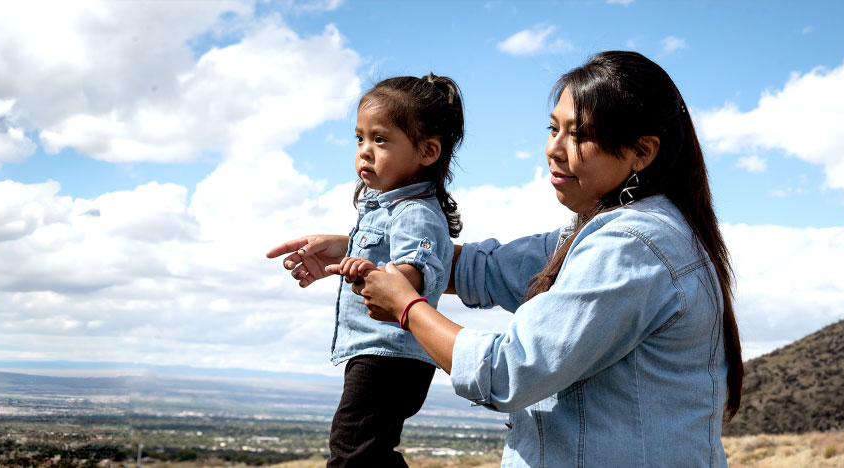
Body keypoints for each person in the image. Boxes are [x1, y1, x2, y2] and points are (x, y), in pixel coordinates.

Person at [291, 51, 742, 467]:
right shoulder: (595, 230)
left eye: (579, 134)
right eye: (553, 128)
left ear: (643, 151)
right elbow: (484, 270)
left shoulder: (632, 246)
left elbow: (510, 370)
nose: (554, 148)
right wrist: (362, 247)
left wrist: (408, 309)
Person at [265, 74, 466, 468]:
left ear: (427, 151)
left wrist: (368, 269)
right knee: (365, 453)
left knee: (352, 455)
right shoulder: (387, 207)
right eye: (360, 139)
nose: (365, 152)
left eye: (381, 139)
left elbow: (413, 277)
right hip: (383, 355)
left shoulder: (415, 212)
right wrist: (348, 256)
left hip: (390, 357)